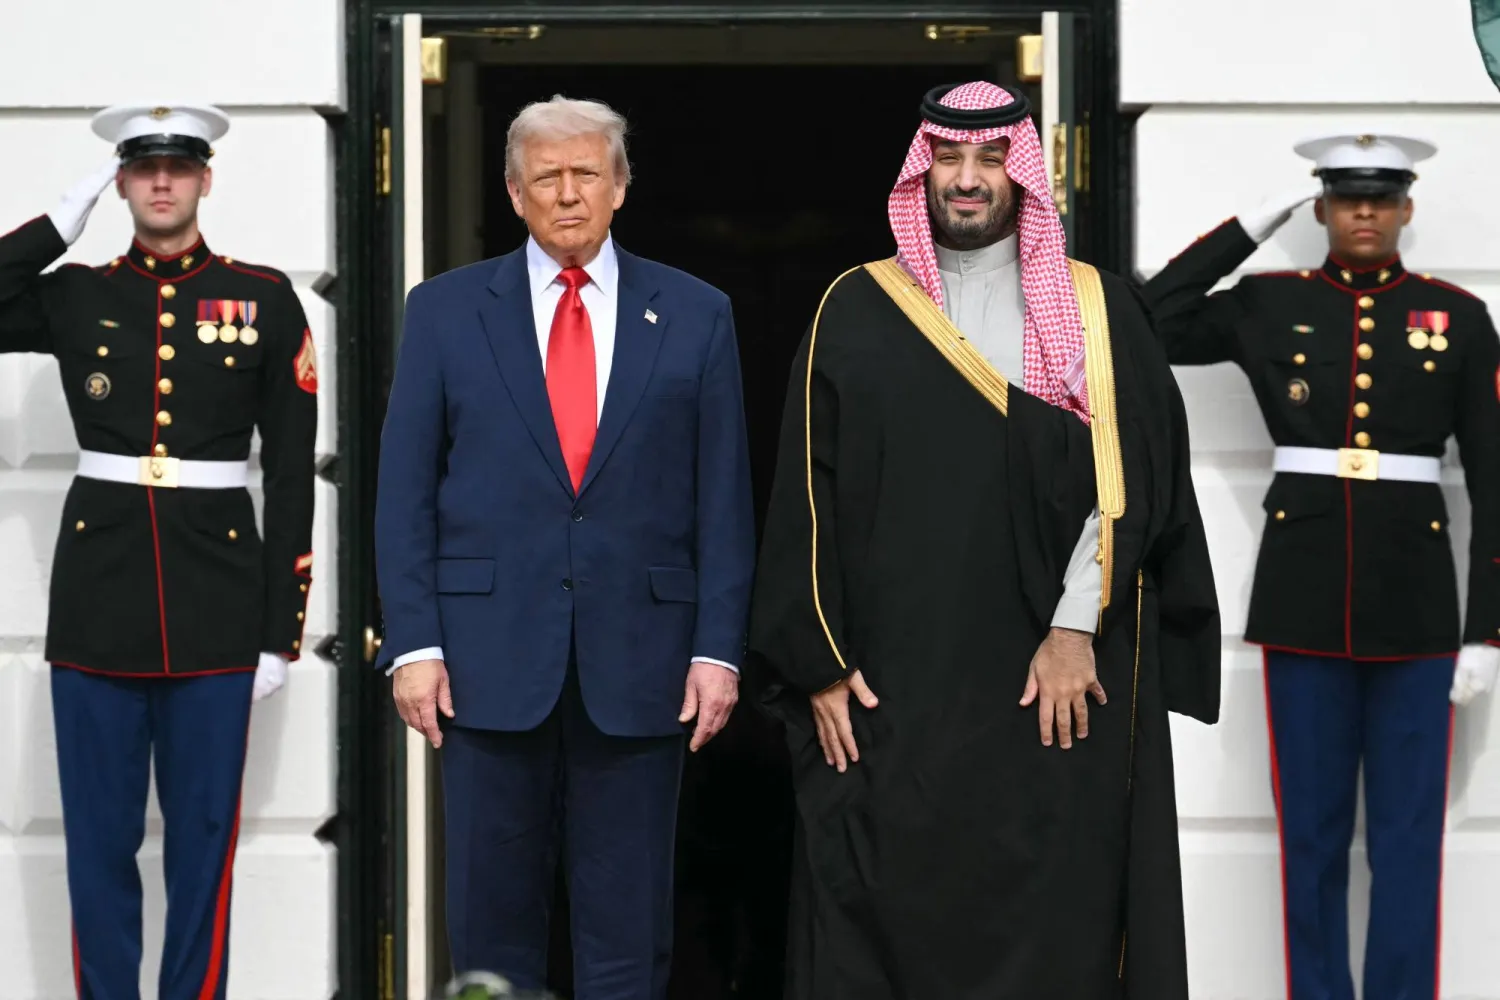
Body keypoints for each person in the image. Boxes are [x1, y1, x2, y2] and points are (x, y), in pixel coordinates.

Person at [746, 80, 1222, 1000]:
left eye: (991, 159)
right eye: (949, 160)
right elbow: (806, 495)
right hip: (895, 689)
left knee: (1060, 916)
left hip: (1053, 682)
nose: (967, 180)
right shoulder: (855, 306)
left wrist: (1075, 628)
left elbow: (1133, 483)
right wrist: (819, 663)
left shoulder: (1097, 310)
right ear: (921, 171)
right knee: (887, 907)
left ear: (1025, 173)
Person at [373, 95, 755, 1000]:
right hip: (483, 661)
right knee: (490, 930)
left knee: (627, 933)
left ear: (622, 187)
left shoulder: (697, 314)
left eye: (588, 173)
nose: (569, 194)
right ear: (514, 193)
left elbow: (725, 499)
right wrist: (415, 645)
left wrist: (716, 650)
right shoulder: (444, 310)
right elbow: (404, 493)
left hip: (644, 665)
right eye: (548, 177)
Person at [1140, 132, 1500, 1000]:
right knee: (1311, 837)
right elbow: (1149, 317)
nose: (1365, 212)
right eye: (1345, 198)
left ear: (1407, 207)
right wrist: (1248, 228)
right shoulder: (1267, 303)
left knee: (1410, 839)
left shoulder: (1456, 315)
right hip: (1303, 603)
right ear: (1323, 208)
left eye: (1381, 197)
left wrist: (1486, 630)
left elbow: (1494, 482)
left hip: (1418, 614)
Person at [0, 104, 317, 998]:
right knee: (97, 846)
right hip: (98, 602)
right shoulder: (77, 293)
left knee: (203, 846)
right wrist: (55, 227)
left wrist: (278, 632)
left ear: (206, 179)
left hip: (219, 606)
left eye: (180, 166)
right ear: (122, 183)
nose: (164, 182)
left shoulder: (264, 298)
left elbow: (293, 474)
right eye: (143, 169)